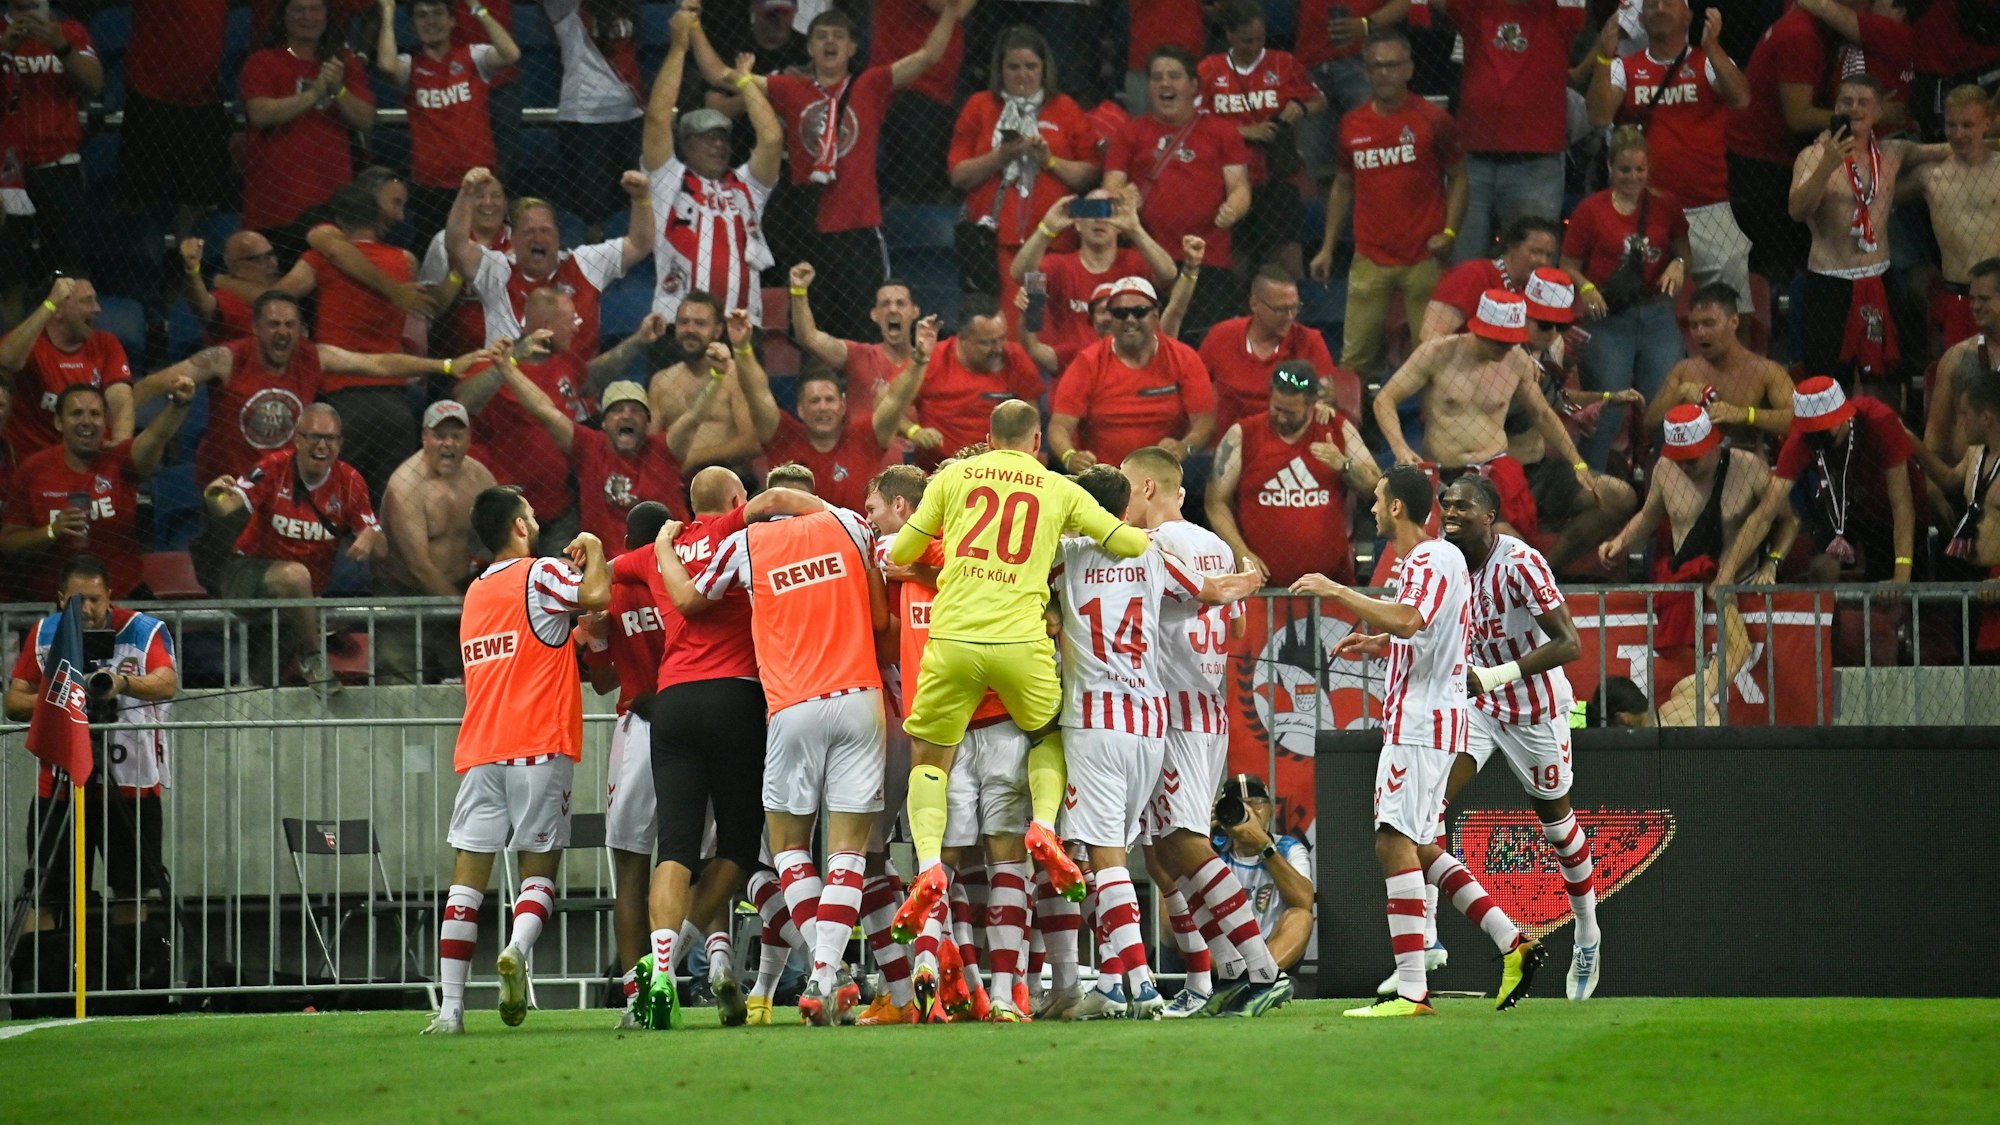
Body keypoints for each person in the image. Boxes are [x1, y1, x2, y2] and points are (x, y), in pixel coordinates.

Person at [885, 400, 1155, 953]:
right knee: (1045, 735)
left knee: (930, 757)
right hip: (1021, 644)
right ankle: (1044, 825)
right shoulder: (1057, 486)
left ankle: (930, 863)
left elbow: (902, 549)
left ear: (988, 438)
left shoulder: (954, 475)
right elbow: (1128, 542)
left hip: (955, 640)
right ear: (1038, 442)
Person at [1293, 466, 1546, 1018]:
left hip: (1421, 724)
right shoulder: (1430, 561)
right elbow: (1422, 631)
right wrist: (1379, 643)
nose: (1374, 511)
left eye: (1379, 502)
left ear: (1399, 508)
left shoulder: (1431, 557)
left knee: (1392, 841)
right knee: (1425, 846)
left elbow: (1412, 620)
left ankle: (1412, 991)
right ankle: (1514, 942)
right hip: (1432, 719)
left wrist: (1337, 590)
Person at [657, 473, 888, 1026]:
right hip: (860, 695)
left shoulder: (744, 544)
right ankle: (827, 977)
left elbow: (688, 600)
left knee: (787, 848)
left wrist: (665, 546)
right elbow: (880, 619)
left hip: (790, 706)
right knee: (849, 853)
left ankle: (822, 974)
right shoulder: (850, 525)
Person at [1049, 464, 1261, 1021]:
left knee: (1107, 860)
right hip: (1150, 723)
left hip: (1094, 722)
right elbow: (1216, 592)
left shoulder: (1066, 555)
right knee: (1142, 856)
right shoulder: (1152, 551)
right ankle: (1124, 982)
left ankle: (1139, 984)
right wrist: (1252, 579)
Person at [621, 465, 822, 1030]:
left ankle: (659, 973)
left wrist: (591, 543)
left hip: (674, 702)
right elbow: (780, 498)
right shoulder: (737, 526)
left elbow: (597, 579)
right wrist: (836, 520)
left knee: (676, 846)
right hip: (737, 697)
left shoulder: (661, 546)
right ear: (736, 498)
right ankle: (682, 953)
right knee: (738, 844)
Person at [424, 484, 610, 1034]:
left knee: (465, 886)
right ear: (520, 527)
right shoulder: (541, 573)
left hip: (482, 750)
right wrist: (595, 547)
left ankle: (451, 1009)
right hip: (538, 745)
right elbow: (596, 595)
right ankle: (516, 949)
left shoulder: (475, 594)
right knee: (539, 876)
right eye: (531, 514)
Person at [1121, 448, 1294, 1016]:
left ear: (1147, 487)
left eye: (1126, 488)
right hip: (1201, 707)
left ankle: (1260, 971)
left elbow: (1203, 601)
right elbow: (1239, 621)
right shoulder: (1218, 545)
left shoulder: (1160, 545)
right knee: (1162, 852)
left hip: (1176, 713)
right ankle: (1218, 976)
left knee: (1185, 842)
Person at [697, 2, 974, 340]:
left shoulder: (871, 85)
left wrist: (948, 12)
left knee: (867, 334)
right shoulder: (789, 86)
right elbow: (718, 75)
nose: (830, 43)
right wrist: (691, 28)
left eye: (838, 37)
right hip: (808, 231)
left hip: (859, 229)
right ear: (810, 47)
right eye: (822, 37)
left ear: (852, 47)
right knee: (812, 335)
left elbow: (929, 56)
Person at [1432, 474, 1602, 1001]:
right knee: (1424, 809)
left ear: (1488, 515)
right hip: (1477, 708)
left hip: (1535, 710)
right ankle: (1426, 942)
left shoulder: (1519, 562)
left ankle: (1588, 934)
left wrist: (1497, 675)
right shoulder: (1445, 561)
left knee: (1558, 827)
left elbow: (1570, 643)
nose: (1449, 512)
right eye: (1445, 505)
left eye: (1461, 505)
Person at [3, 555, 177, 980]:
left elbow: (166, 681)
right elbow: (13, 701)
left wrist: (121, 683)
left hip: (132, 784)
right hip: (60, 786)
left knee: (131, 892)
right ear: (60, 599)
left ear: (110, 597)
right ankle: (38, 987)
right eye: (77, 601)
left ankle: (131, 985)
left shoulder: (143, 629)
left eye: (96, 600)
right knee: (47, 892)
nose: (87, 610)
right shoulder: (46, 633)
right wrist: (63, 698)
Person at [136, 292, 472, 495]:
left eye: (289, 325)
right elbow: (152, 384)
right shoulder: (226, 358)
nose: (282, 332)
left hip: (285, 491)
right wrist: (119, 433)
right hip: (226, 489)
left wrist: (445, 366)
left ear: (300, 329)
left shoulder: (312, 356)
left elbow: (379, 364)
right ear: (255, 328)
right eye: (273, 325)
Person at [1375, 290, 1598, 542]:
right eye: (1499, 342)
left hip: (1493, 473)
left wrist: (1578, 463)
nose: (1505, 349)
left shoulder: (1517, 361)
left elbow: (1543, 415)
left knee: (1508, 544)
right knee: (1490, 543)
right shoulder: (1437, 354)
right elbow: (1385, 399)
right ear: (1480, 330)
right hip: (1446, 473)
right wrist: (1400, 448)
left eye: (1511, 342)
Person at [1310, 28, 1466, 381]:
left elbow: (1459, 177)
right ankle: (1354, 434)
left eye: (1392, 66)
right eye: (1376, 66)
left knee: (1435, 361)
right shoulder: (1352, 124)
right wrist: (1327, 248)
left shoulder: (1434, 120)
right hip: (1369, 257)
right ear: (1365, 71)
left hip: (1424, 257)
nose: (1384, 73)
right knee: (1354, 362)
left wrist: (1450, 232)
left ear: (1409, 68)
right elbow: (1342, 185)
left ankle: (1435, 436)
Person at [454, 291, 669, 546]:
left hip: (558, 511)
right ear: (546, 326)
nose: (577, 328)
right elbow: (463, 401)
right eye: (571, 320)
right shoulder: (497, 361)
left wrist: (638, 340)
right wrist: (512, 360)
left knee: (561, 581)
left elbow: (591, 378)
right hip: (506, 513)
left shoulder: (564, 361)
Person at [200, 403, 387, 681]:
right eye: (314, 437)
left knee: (262, 682)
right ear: (298, 440)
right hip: (246, 575)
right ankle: (314, 658)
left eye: (331, 439)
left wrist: (371, 535)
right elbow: (227, 506)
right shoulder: (273, 468)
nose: (322, 446)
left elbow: (383, 549)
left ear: (340, 444)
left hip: (298, 600)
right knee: (296, 575)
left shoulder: (349, 482)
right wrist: (212, 496)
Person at [1587, 0, 1753, 309]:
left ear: (1689, 15)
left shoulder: (1707, 61)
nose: (1660, 8)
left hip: (1709, 206)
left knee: (1732, 308)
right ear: (1641, 19)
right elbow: (1599, 115)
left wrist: (1713, 47)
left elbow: (1741, 97)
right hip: (1645, 210)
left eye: (1669, 2)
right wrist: (1602, 58)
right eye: (1651, 5)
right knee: (1644, 306)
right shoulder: (1625, 67)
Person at [577, 500, 673, 1027]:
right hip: (690, 721)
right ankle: (698, 968)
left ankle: (638, 995)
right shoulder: (682, 576)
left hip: (638, 728)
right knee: (694, 862)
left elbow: (602, 680)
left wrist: (595, 642)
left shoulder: (608, 589)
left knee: (630, 871)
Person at [1788, 74, 1943, 392]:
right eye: (1847, 102)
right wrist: (1827, 165)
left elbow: (1946, 149)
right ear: (1835, 108)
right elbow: (1797, 210)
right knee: (1828, 385)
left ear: (1878, 113)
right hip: (1830, 282)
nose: (1855, 109)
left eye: (1863, 102)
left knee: (1887, 379)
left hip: (1880, 277)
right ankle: (1833, 441)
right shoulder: (1812, 157)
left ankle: (1884, 437)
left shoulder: (1893, 152)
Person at [501, 349, 749, 545]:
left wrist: (717, 377)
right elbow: (544, 410)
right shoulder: (588, 446)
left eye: (636, 410)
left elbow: (695, 415)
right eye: (618, 410)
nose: (627, 415)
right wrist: (505, 366)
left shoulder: (665, 449)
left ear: (648, 421)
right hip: (609, 569)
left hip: (668, 563)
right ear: (605, 422)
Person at [1600, 404, 1794, 647]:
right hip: (1687, 589)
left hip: (1740, 588)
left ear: (1712, 444)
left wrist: (1771, 564)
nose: (1684, 467)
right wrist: (1620, 540)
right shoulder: (1665, 469)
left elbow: (1789, 521)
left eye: (1691, 460)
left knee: (1734, 658)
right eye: (1678, 459)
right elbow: (1649, 515)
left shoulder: (1749, 468)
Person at [643, 8, 783, 326]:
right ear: (686, 144)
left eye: (722, 138)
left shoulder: (746, 185)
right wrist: (679, 47)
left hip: (741, 329)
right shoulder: (668, 179)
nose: (718, 145)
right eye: (706, 138)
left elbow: (772, 139)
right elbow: (657, 117)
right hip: (679, 328)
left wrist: (745, 81)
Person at [1563, 127, 1691, 473]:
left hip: (1656, 315)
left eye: (1639, 170)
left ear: (1649, 169)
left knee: (1666, 408)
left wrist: (1678, 266)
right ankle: (1595, 491)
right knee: (1605, 410)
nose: (1632, 177)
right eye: (1624, 169)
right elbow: (1569, 265)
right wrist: (1586, 288)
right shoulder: (1590, 210)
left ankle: (1669, 490)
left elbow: (1683, 250)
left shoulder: (1665, 205)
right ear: (1609, 167)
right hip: (1608, 319)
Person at [1101, 46, 1252, 336]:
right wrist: (1123, 198)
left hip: (1208, 259)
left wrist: (1233, 207)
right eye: (1157, 77)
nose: (1165, 84)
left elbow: (1240, 187)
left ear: (1194, 85)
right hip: (1146, 257)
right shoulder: (1129, 133)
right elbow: (1112, 186)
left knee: (1202, 341)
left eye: (1174, 76)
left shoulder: (1222, 131)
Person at [947, 25, 1103, 302]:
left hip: (1053, 244)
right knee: (1008, 330)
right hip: (994, 243)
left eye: (1031, 66)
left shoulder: (1064, 107)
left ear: (1044, 68)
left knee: (1041, 325)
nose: (1022, 75)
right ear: (1000, 69)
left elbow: (1090, 175)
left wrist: (1049, 160)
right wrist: (1002, 156)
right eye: (1013, 67)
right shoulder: (979, 106)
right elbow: (958, 175)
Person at [0, 379, 194, 600]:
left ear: (105, 422)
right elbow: (8, 543)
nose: (86, 421)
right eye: (76, 413)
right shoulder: (32, 470)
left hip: (122, 597)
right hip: (55, 603)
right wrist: (53, 530)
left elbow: (155, 437)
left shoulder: (120, 460)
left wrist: (178, 404)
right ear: (58, 422)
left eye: (95, 414)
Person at [1426, 0, 1584, 264]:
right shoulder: (1476, 8)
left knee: (1534, 269)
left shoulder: (1558, 14)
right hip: (1472, 164)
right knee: (1462, 266)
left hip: (1536, 165)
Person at [447, 166, 655, 362]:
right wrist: (466, 194)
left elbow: (639, 244)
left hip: (576, 391)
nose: (538, 238)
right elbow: (457, 244)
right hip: (510, 388)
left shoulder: (584, 263)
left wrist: (641, 199)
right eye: (529, 232)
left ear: (558, 236)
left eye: (545, 230)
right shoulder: (498, 269)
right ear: (515, 239)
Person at [1731, 376, 1917, 587]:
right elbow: (1764, 513)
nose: (1814, 437)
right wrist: (1727, 575)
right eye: (1809, 430)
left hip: (1883, 507)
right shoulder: (1803, 440)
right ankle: (1829, 617)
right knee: (1820, 569)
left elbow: (1902, 505)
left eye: (1820, 429)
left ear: (1840, 419)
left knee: (1892, 583)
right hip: (1837, 506)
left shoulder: (1879, 420)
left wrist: (1902, 573)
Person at [1511, 269, 1639, 571]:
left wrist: (1606, 398)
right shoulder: (1498, 352)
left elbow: (1555, 400)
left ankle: (1546, 574)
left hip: (1540, 469)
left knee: (1619, 497)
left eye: (1560, 324)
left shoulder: (1553, 347)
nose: (1552, 332)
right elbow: (1534, 410)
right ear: (1522, 313)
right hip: (1495, 474)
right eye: (1543, 324)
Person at [1207, 362, 1377, 588]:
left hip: (1331, 588)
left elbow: (1375, 484)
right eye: (1277, 408)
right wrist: (1241, 553)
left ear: (1312, 406)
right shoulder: (1243, 434)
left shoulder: (1335, 428)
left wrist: (1344, 465)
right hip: (1262, 587)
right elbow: (1215, 501)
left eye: (1290, 413)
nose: (1281, 418)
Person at [375, 0, 521, 247]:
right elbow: (386, 65)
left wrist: (476, 7)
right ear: (412, 25)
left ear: (453, 20)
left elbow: (511, 53)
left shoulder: (473, 56)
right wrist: (388, 13)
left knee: (485, 254)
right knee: (436, 258)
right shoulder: (411, 66)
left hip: (478, 180)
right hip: (432, 185)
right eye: (421, 15)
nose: (431, 21)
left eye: (437, 14)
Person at [1197, 2, 1326, 279]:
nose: (1254, 46)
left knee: (1289, 264)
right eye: (1246, 40)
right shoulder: (1210, 68)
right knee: (1237, 266)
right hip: (1228, 181)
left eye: (1259, 39)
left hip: (1277, 178)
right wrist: (1242, 132)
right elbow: (1194, 121)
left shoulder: (1283, 63)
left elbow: (1319, 100)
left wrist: (1301, 108)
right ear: (1229, 34)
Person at [240, 0, 376, 252]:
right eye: (298, 9)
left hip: (331, 201)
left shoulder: (343, 63)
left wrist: (339, 90)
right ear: (284, 16)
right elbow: (260, 113)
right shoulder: (263, 60)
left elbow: (366, 119)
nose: (308, 17)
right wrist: (314, 95)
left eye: (315, 9)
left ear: (327, 16)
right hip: (274, 202)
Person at [738, 308, 900, 514]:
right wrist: (742, 347)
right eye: (815, 401)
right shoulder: (782, 435)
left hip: (851, 541)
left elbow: (896, 400)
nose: (823, 407)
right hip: (792, 539)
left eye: (829, 400)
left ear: (843, 406)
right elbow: (756, 393)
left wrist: (921, 359)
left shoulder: (865, 436)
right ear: (801, 409)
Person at [377, 401, 495, 680]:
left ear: (468, 439)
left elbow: (503, 539)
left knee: (465, 683)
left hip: (460, 590)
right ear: (424, 438)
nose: (448, 444)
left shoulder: (480, 478)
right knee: (399, 687)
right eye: (440, 436)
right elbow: (419, 565)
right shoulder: (406, 485)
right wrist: (468, 609)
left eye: (456, 436)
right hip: (405, 595)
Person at [1724, 0, 1841, 280]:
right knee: (1776, 264)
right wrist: (1858, 118)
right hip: (1759, 162)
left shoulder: (1803, 23)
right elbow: (1798, 116)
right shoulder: (1800, 35)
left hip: (1764, 154)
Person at [1050, 277, 1216, 472]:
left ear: (1156, 315)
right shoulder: (1088, 362)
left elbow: (1205, 421)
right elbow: (1059, 426)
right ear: (1111, 319)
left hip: (1166, 473)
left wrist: (1184, 447)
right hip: (1106, 478)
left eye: (1139, 312)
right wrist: (1070, 457)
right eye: (1120, 313)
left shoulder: (1183, 357)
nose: (1130, 319)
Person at [1008, 190, 1178, 373]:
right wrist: (1046, 229)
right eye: (1091, 210)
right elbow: (1020, 274)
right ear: (1078, 223)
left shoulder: (1135, 262)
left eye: (1106, 211)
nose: (1099, 219)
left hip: (1131, 366)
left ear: (1119, 224)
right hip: (1074, 367)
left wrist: (1135, 229)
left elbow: (1168, 274)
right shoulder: (1059, 265)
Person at [880, 294, 1044, 469]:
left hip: (1000, 471)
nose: (998, 348)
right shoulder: (933, 360)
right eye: (987, 343)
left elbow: (1030, 417)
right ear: (963, 338)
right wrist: (914, 432)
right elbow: (884, 404)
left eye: (1002, 338)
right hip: (941, 472)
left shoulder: (1015, 357)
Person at [115, 0, 230, 241]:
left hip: (204, 99)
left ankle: (184, 266)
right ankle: (134, 263)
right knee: (134, 199)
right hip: (151, 97)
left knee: (201, 199)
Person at [1, 0, 100, 276]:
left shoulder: (69, 30)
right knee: (9, 276)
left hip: (59, 165)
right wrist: (4, 48)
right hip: (8, 174)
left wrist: (60, 45)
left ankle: (64, 318)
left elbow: (95, 84)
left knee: (67, 270)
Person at [1645, 282, 1795, 450]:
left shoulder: (1766, 371)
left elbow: (1797, 421)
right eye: (1694, 325)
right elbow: (1650, 423)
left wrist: (1746, 415)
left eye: (1709, 323)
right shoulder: (1684, 370)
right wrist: (1680, 393)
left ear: (1734, 321)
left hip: (1745, 462)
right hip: (1693, 466)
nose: (1700, 332)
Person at [0, 276, 133, 459]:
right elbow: (6, 360)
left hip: (90, 461)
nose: (97, 309)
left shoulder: (106, 343)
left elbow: (121, 399)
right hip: (34, 464)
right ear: (58, 311)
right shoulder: (30, 344)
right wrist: (49, 304)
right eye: (87, 301)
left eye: (95, 300)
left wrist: (121, 444)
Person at [1199, 268, 1342, 438]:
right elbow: (1195, 387)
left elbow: (1325, 397)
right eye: (1280, 310)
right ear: (1254, 304)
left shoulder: (1309, 341)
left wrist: (1319, 401)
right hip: (1230, 441)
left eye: (1294, 308)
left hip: (1287, 441)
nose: (1290, 317)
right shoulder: (1221, 336)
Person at [542, 0, 644, 228]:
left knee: (637, 203)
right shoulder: (567, 8)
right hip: (585, 120)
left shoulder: (628, 7)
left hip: (632, 115)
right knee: (593, 210)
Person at [1912, 87, 2000, 352]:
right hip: (1957, 296)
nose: (1958, 133)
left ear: (1987, 123)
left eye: (1967, 125)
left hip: (1998, 294)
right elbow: (1879, 186)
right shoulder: (1930, 175)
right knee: (1957, 379)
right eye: (1951, 124)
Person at [787, 265, 926, 423]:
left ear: (915, 312)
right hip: (865, 446)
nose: (893, 309)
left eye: (900, 303)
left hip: (918, 446)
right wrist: (799, 291)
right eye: (885, 304)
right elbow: (808, 337)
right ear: (874, 315)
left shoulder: (930, 364)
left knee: (958, 447)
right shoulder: (858, 355)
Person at [1208, 774, 1314, 975]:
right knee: (1177, 902)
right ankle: (1238, 979)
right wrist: (1199, 835)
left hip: (1273, 952)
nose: (1249, 813)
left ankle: (1260, 978)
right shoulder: (1212, 848)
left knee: (1301, 916)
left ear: (1271, 809)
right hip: (1222, 956)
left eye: (1256, 804)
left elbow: (1304, 901)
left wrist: (1263, 846)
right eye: (1238, 805)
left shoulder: (1288, 848)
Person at [642, 291, 760, 468]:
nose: (690, 329)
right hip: (673, 485)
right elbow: (650, 445)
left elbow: (752, 442)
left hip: (726, 481)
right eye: (684, 322)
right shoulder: (661, 381)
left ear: (718, 331)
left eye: (700, 324)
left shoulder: (737, 375)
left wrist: (694, 459)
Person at [1420, 216, 1561, 342]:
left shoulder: (1529, 292)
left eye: (1549, 255)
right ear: (1511, 247)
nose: (1543, 261)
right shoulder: (1472, 274)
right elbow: (1431, 338)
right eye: (1535, 252)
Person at [421, 169, 511, 361]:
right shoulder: (443, 241)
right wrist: (461, 268)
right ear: (466, 204)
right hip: (454, 358)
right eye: (480, 196)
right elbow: (430, 309)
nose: (488, 203)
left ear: (505, 203)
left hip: (510, 357)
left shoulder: (519, 241)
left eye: (496, 196)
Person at [1927, 259, 2000, 469]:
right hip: (1962, 483)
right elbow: (1933, 441)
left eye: (1984, 299)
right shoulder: (1955, 358)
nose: (1975, 306)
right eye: (1972, 299)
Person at [179, 232, 282, 347]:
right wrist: (193, 271)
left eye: (271, 254)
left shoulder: (286, 286)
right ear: (235, 266)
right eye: (260, 259)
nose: (273, 263)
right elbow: (205, 308)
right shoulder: (228, 297)